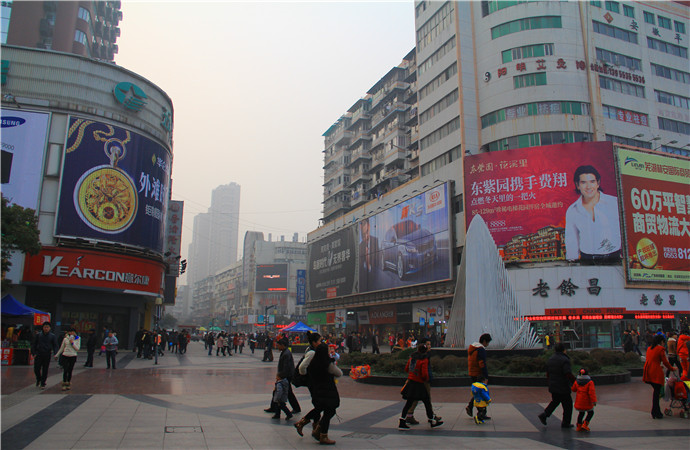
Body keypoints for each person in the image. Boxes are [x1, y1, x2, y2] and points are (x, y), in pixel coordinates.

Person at [564, 165, 621, 261]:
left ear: (598, 183)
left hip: (613, 257)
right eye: (583, 182)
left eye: (592, 181)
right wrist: (572, 261)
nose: (588, 187)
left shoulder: (614, 203)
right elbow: (571, 240)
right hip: (587, 260)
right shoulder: (572, 210)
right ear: (577, 185)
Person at [398, 338, 443, 430]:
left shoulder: (412, 358)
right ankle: (432, 420)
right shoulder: (424, 359)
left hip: (411, 383)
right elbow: (425, 374)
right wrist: (425, 379)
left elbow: (407, 369)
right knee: (427, 401)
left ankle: (402, 421)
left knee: (408, 403)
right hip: (419, 384)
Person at [305, 343, 342, 444]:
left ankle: (317, 430)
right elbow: (339, 373)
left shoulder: (313, 364)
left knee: (326, 411)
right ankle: (322, 435)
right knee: (329, 411)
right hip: (328, 391)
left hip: (317, 390)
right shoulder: (327, 363)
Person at [538, 343, 576, 428]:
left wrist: (550, 382)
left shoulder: (551, 359)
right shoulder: (565, 360)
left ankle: (544, 415)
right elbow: (568, 373)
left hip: (553, 385)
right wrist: (575, 381)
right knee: (568, 405)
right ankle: (566, 423)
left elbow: (548, 373)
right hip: (563, 386)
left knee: (555, 401)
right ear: (564, 350)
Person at [294, 332, 323, 439]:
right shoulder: (312, 352)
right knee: (320, 405)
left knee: (318, 405)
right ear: (314, 342)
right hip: (313, 383)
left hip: (313, 382)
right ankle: (302, 423)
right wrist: (309, 377)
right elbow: (302, 368)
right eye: (320, 341)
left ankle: (315, 426)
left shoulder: (312, 350)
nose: (321, 343)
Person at [643, 334, 676, 419]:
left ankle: (655, 411)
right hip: (656, 372)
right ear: (661, 342)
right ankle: (655, 412)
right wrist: (672, 368)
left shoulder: (649, 348)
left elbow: (651, 359)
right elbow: (665, 362)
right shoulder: (660, 349)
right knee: (656, 393)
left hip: (648, 371)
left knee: (656, 392)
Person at [270, 338, 300, 419]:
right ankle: (275, 409)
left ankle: (278, 410)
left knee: (282, 392)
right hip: (285, 376)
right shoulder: (284, 352)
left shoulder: (286, 354)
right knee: (284, 392)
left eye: (278, 345)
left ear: (283, 345)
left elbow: (286, 367)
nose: (277, 346)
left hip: (286, 376)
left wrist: (280, 377)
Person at [466, 333, 492, 418]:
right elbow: (482, 364)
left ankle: (472, 408)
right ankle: (481, 413)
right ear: (484, 341)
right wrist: (485, 376)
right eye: (487, 342)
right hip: (479, 374)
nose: (488, 345)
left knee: (477, 392)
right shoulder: (480, 350)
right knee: (481, 393)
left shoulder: (473, 348)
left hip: (472, 373)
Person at [31, 322, 58, 389]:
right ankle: (39, 379)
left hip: (47, 354)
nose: (46, 328)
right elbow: (34, 344)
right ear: (43, 328)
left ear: (50, 328)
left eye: (47, 327)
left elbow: (55, 345)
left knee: (45, 369)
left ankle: (43, 383)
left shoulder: (52, 336)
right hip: (38, 354)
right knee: (36, 368)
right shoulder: (38, 335)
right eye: (45, 327)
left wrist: (56, 354)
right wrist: (33, 353)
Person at [358, 217, 379, 292]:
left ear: (369, 227)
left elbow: (378, 265)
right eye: (363, 235)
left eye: (367, 232)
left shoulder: (376, 241)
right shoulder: (359, 249)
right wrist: (367, 265)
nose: (366, 237)